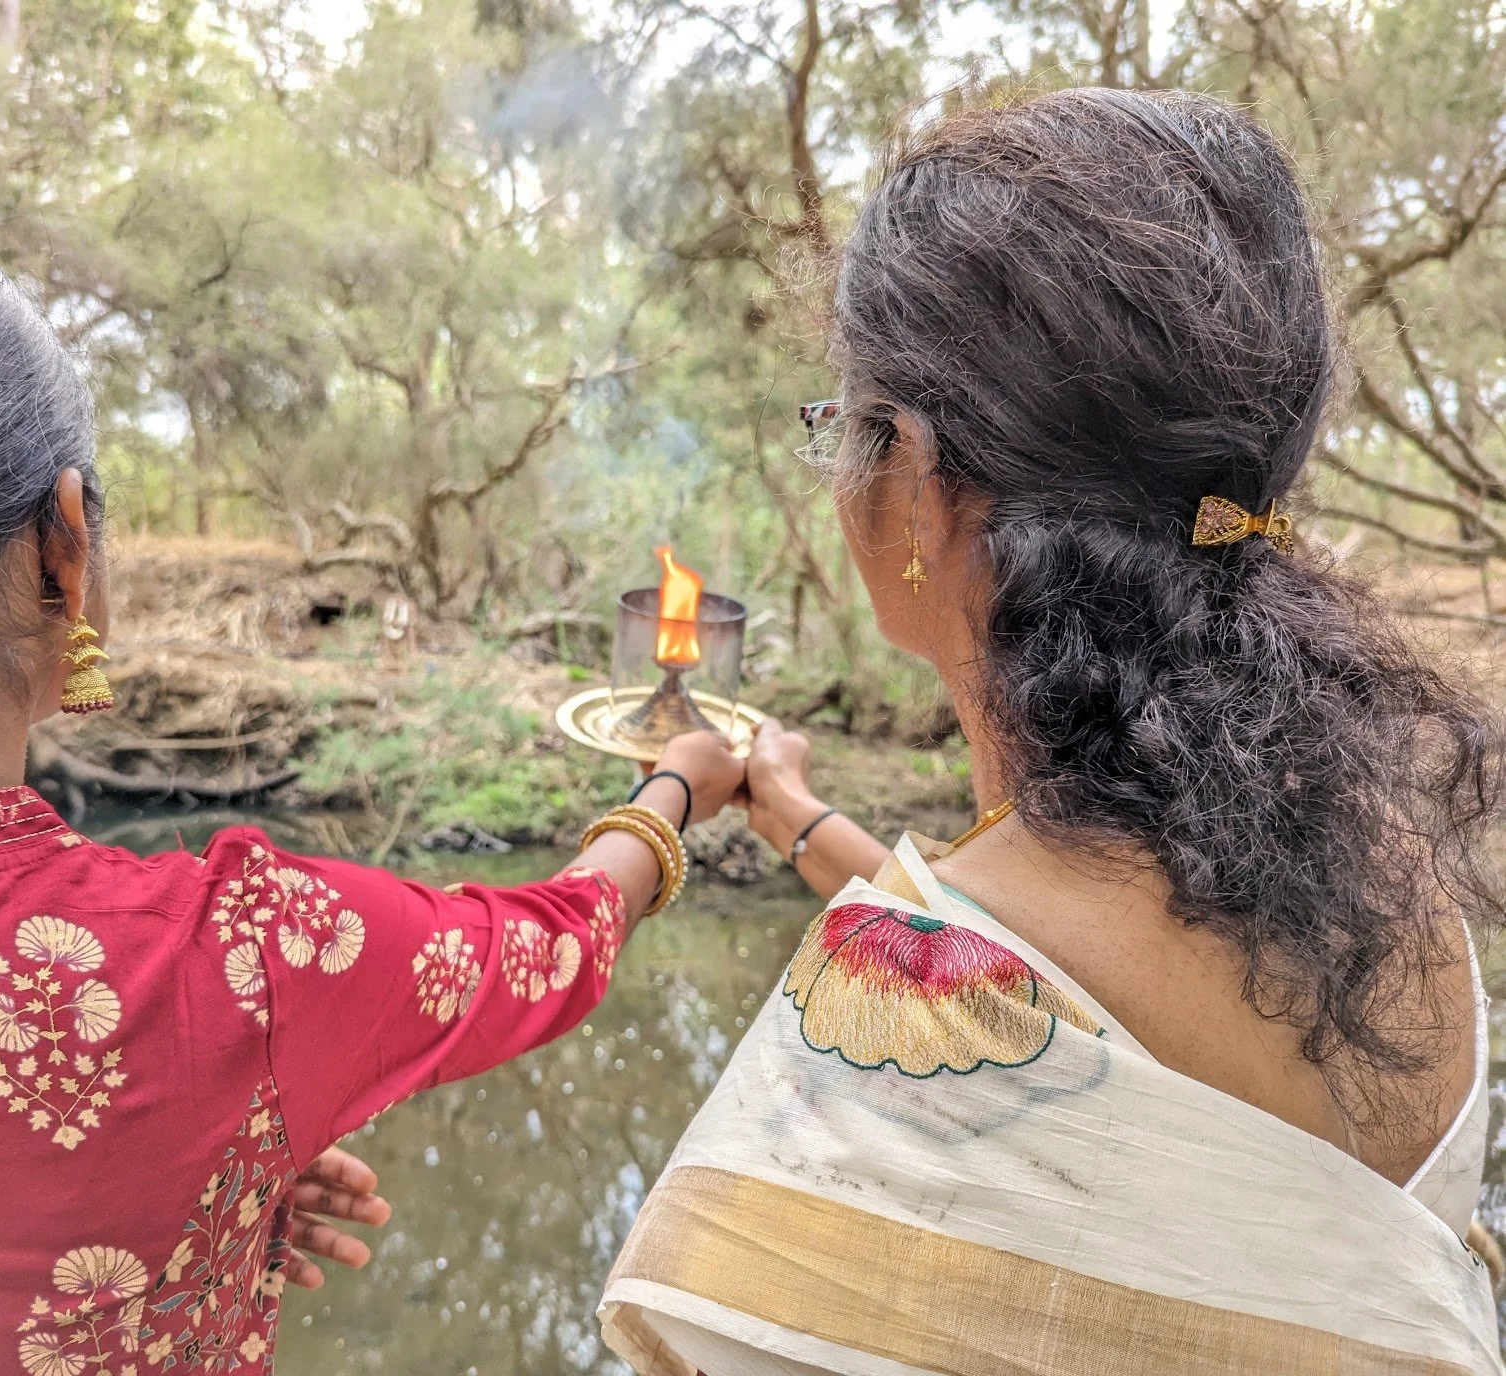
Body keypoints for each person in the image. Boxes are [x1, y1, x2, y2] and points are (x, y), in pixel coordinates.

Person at [0, 199, 747, 1376]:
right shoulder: (235, 966)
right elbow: (559, 940)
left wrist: (202, 1174)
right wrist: (671, 791)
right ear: (62, 548)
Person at [600, 87, 1506, 1375]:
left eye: (838, 426)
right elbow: (1047, 992)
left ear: (906, 481)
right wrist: (791, 811)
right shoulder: (1383, 865)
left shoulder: (867, 1066)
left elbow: (1007, 989)